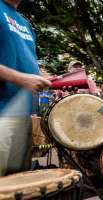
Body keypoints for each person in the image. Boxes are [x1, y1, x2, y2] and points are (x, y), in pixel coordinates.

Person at [0, 0, 52, 176]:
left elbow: (26, 64)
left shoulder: (25, 24)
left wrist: (42, 78)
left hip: (22, 114)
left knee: (18, 183)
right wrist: (21, 78)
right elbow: (22, 75)